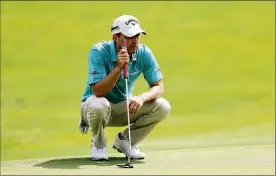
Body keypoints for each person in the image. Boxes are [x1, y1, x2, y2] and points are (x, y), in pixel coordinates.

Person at [79, 14, 171, 161]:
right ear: (115, 37)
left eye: (138, 36)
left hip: (123, 108)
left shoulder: (143, 52)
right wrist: (118, 68)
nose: (135, 41)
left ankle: (126, 141)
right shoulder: (98, 52)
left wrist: (141, 98)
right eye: (129, 37)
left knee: (162, 106)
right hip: (93, 109)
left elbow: (158, 87)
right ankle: (98, 145)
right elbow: (98, 91)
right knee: (99, 104)